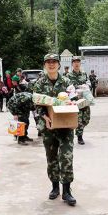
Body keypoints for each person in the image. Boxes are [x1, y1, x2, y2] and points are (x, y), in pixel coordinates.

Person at [33, 53, 76, 206]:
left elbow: (74, 100)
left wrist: (71, 105)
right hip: (48, 126)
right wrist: (44, 117)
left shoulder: (67, 81)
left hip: (65, 126)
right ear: (44, 65)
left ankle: (67, 190)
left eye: (54, 62)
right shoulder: (39, 84)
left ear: (58, 64)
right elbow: (36, 105)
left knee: (66, 157)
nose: (51, 64)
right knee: (52, 158)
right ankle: (55, 187)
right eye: (48, 62)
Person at [66, 56, 91, 145]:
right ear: (72, 64)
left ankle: (78, 130)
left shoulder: (84, 74)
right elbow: (67, 87)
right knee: (79, 119)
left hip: (84, 99)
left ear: (80, 63)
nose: (76, 64)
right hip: (75, 101)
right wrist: (75, 89)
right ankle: (79, 136)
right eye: (74, 62)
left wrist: (86, 86)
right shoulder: (68, 75)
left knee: (86, 119)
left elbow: (89, 83)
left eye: (78, 62)